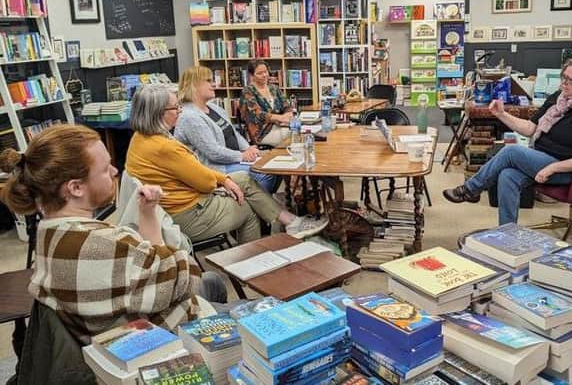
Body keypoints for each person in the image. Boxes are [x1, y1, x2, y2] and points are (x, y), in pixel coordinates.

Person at [0, 124, 227, 342]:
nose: (115, 171)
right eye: (105, 168)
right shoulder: (105, 245)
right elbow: (188, 275)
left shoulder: (48, 234)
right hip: (167, 341)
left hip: (134, 326)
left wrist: (147, 214)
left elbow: (158, 266)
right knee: (213, 282)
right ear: (75, 187)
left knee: (212, 282)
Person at [125, 84, 327, 244]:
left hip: (171, 206)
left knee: (242, 179)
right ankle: (253, 264)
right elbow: (205, 182)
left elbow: (195, 172)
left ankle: (291, 222)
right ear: (158, 113)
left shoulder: (140, 139)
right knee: (247, 207)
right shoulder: (165, 147)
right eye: (174, 107)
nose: (179, 111)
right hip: (187, 213)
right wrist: (223, 181)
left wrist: (224, 180)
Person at [443, 57, 572, 225]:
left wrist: (553, 167)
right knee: (507, 175)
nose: (563, 83)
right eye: (563, 78)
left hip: (568, 169)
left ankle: (470, 189)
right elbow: (530, 128)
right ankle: (507, 232)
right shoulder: (559, 99)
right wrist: (501, 114)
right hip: (541, 157)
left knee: (511, 151)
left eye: (570, 80)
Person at [174, 65, 280, 193]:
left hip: (233, 159)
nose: (213, 84)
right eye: (208, 81)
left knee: (276, 168)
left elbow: (233, 133)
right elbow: (213, 152)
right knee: (264, 173)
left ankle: (261, 204)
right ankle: (253, 207)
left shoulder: (214, 108)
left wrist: (248, 148)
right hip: (215, 167)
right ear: (194, 86)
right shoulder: (189, 117)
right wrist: (242, 156)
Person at [239, 60, 293, 146]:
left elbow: (286, 105)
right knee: (294, 137)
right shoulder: (247, 92)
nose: (264, 75)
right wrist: (281, 118)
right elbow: (257, 114)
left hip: (281, 126)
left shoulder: (274, 88)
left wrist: (288, 114)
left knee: (301, 131)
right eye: (260, 73)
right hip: (262, 132)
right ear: (251, 75)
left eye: (265, 71)